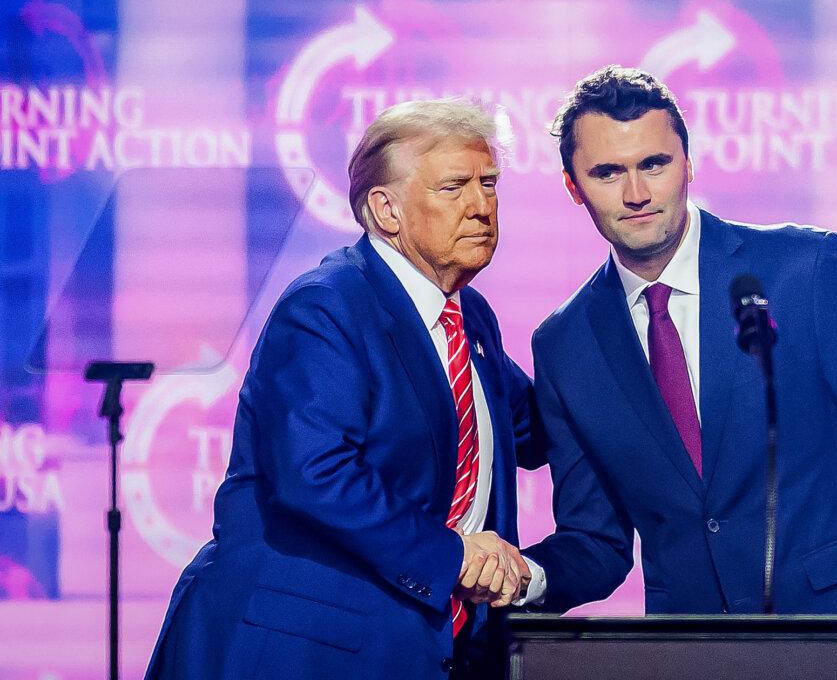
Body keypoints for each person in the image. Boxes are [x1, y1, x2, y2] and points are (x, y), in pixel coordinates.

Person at [518, 66, 837, 616]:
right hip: (691, 646)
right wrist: (524, 577)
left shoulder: (806, 270)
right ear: (573, 187)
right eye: (608, 173)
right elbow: (595, 539)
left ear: (688, 163)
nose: (636, 194)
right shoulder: (566, 345)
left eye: (654, 164)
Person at [145, 99, 542, 679]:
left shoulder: (469, 317)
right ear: (386, 210)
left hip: (422, 652)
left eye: (489, 183)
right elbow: (315, 473)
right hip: (302, 649)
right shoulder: (326, 306)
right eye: (454, 187)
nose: (481, 206)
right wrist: (453, 556)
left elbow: (536, 429)